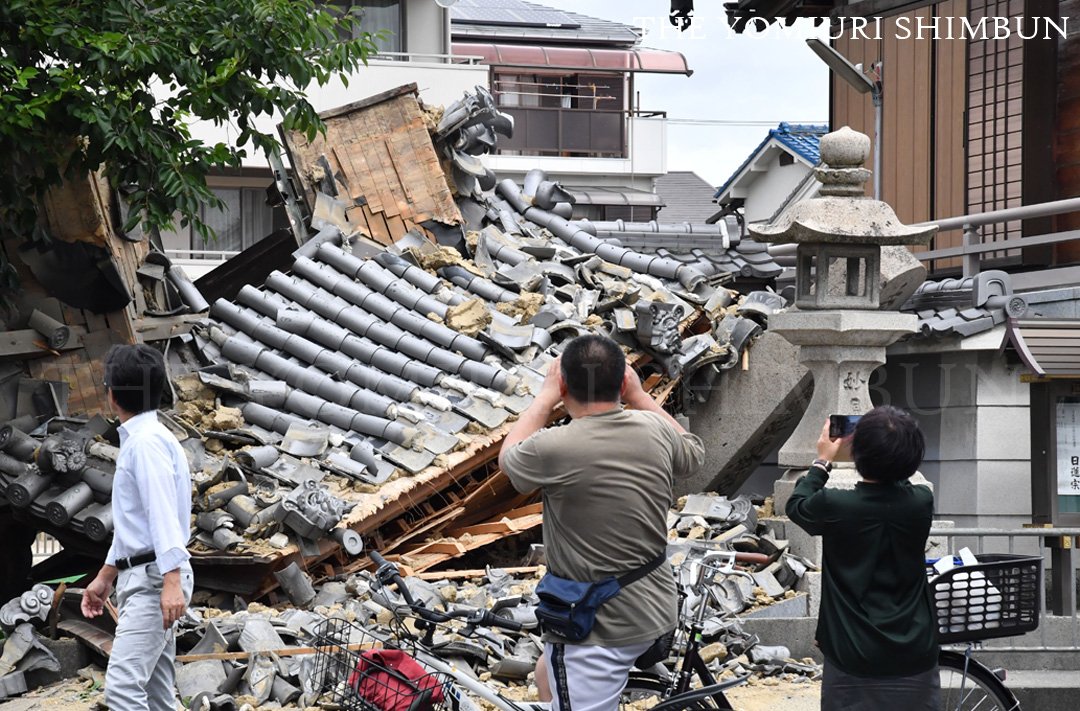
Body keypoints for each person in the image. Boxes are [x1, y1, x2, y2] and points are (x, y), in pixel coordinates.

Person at [499, 335, 704, 710]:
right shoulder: (654, 429)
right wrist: (640, 396)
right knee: (547, 670)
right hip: (655, 607)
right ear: (623, 381)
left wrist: (545, 398)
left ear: (565, 385)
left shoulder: (555, 446)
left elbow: (509, 459)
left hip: (602, 626)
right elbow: (692, 452)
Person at [786, 405, 939, 711]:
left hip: (850, 650)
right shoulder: (921, 502)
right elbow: (899, 485)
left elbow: (796, 505)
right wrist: (893, 444)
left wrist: (823, 460)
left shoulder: (835, 505)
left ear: (858, 454)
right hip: (914, 649)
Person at [81, 344, 194, 711]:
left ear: (112, 394)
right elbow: (138, 524)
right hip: (148, 576)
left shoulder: (144, 444)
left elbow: (162, 516)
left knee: (122, 690)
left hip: (154, 581)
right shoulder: (148, 439)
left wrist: (172, 582)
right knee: (158, 695)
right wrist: (106, 576)